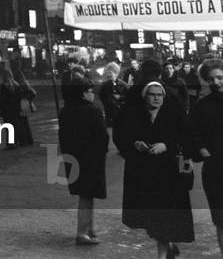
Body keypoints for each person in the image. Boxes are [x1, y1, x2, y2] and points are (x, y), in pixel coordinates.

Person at [113, 81, 194, 259]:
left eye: (160, 95)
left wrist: (166, 145)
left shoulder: (174, 115)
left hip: (170, 174)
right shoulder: (135, 115)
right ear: (145, 96)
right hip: (146, 175)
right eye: (152, 94)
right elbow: (123, 136)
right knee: (157, 218)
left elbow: (186, 141)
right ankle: (168, 245)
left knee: (164, 217)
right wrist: (135, 143)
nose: (156, 98)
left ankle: (163, 254)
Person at [59, 75, 109, 244]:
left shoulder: (65, 111)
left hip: (72, 157)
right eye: (89, 91)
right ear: (82, 94)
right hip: (91, 158)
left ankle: (89, 228)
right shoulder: (93, 111)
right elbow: (102, 136)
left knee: (86, 194)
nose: (92, 94)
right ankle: (82, 232)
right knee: (87, 196)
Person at [189, 58, 223, 256]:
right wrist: (204, 152)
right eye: (212, 79)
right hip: (216, 168)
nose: (216, 82)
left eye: (220, 78)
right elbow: (193, 133)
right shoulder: (202, 106)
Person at [98, 62, 128, 129]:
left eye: (110, 73)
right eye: (107, 72)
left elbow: (129, 98)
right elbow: (102, 97)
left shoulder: (123, 85)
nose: (108, 75)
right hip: (109, 115)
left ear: (116, 73)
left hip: (121, 115)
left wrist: (120, 98)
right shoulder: (104, 85)